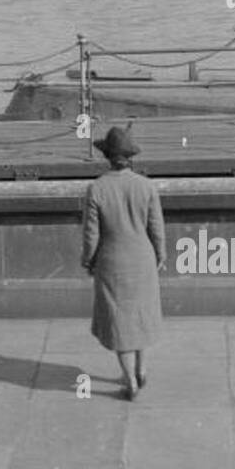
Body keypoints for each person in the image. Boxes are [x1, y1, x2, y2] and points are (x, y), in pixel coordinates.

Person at [81, 126, 166, 400]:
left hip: (112, 261)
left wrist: (88, 260)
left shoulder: (96, 189)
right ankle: (142, 371)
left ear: (107, 157)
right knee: (141, 318)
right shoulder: (146, 186)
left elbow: (91, 234)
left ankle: (129, 380)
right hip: (143, 259)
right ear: (130, 158)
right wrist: (161, 254)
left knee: (120, 323)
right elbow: (157, 227)